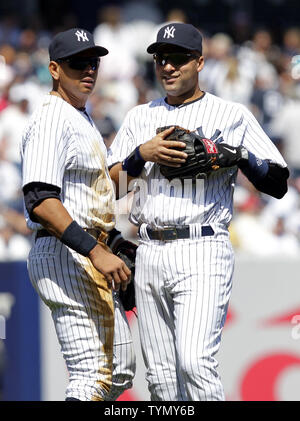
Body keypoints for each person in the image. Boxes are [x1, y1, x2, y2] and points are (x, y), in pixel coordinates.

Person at [108, 22, 289, 401]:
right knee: (159, 380)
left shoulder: (230, 114)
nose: (168, 67)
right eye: (161, 59)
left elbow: (277, 183)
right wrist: (141, 155)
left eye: (178, 58)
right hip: (150, 250)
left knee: (194, 363)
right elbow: (114, 187)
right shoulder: (140, 117)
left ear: (200, 62)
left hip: (202, 246)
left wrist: (238, 157)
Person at [20, 28, 138, 402]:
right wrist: (95, 250)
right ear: (55, 69)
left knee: (116, 371)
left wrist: (114, 243)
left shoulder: (79, 116)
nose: (88, 70)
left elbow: (86, 198)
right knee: (94, 375)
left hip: (82, 250)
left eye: (93, 62)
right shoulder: (52, 117)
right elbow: (39, 199)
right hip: (65, 252)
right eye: (77, 63)